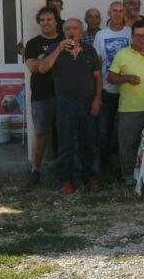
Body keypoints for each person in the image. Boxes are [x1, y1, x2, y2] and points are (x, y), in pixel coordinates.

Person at [38, 19, 102, 193]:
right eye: (68, 29)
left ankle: (89, 177)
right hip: (65, 103)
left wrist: (97, 100)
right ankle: (66, 180)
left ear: (81, 31)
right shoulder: (55, 49)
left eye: (75, 28)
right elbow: (43, 68)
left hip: (87, 102)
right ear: (63, 31)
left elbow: (97, 77)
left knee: (87, 142)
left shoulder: (89, 51)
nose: (71, 31)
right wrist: (58, 49)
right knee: (66, 143)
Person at [107, 20, 144, 186]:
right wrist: (127, 78)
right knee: (129, 145)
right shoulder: (122, 54)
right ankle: (130, 177)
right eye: (137, 36)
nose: (141, 39)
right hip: (129, 109)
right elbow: (110, 77)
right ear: (132, 37)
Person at [23, 7, 63, 185]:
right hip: (42, 96)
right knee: (40, 134)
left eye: (49, 19)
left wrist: (43, 58)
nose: (46, 23)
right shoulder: (32, 44)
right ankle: (35, 170)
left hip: (64, 95)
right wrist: (52, 57)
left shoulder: (65, 41)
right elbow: (34, 68)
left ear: (56, 21)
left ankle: (65, 171)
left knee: (66, 134)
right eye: (42, 20)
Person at [92, 1, 132, 171]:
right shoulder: (101, 35)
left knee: (126, 132)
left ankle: (127, 166)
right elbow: (98, 63)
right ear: (108, 13)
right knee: (104, 131)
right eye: (114, 11)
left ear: (124, 14)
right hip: (107, 90)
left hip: (127, 90)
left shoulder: (131, 33)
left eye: (120, 11)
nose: (117, 14)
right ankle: (105, 167)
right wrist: (97, 92)